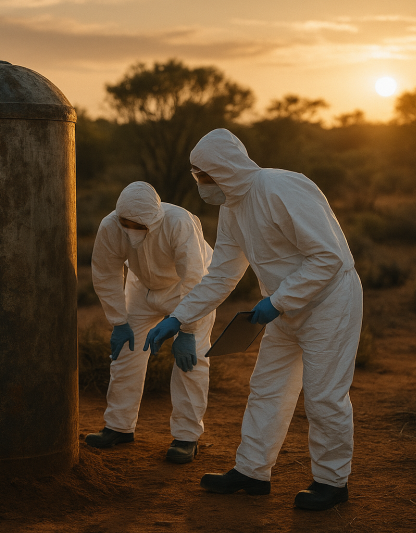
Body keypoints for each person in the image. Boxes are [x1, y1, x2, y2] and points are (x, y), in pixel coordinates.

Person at [145, 129, 363, 510]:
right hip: (280, 308)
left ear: (223, 169)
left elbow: (328, 257)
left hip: (330, 304)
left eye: (203, 176)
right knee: (267, 387)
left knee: (324, 395)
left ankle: (332, 482)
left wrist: (278, 300)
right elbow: (222, 275)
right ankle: (252, 472)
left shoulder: (283, 188)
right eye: (196, 177)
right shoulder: (232, 207)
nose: (200, 184)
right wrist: (178, 319)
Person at [84, 181, 216, 464]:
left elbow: (194, 277)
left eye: (138, 225)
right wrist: (118, 321)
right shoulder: (110, 226)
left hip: (187, 291)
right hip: (142, 288)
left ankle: (186, 437)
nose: (130, 228)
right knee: (125, 355)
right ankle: (118, 426)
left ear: (154, 219)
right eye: (125, 222)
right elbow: (105, 273)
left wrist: (186, 329)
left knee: (190, 361)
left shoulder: (178, 223)